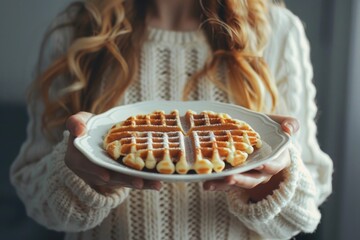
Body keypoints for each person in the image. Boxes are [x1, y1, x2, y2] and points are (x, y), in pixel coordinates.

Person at [10, 0, 333, 239]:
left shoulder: (276, 30)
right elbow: (35, 199)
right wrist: (78, 177)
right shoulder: (77, 31)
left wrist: (274, 179)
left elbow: (306, 211)